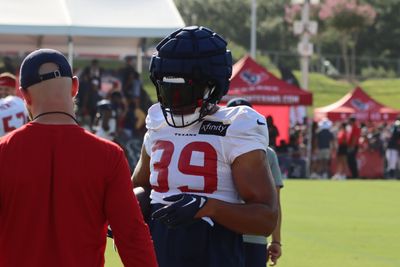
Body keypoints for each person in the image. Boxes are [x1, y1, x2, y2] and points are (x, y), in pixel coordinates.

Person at [131, 26, 278, 267]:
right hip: (159, 252)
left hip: (212, 252)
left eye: (182, 91)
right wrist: (131, 209)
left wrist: (208, 207)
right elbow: (141, 186)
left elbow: (265, 219)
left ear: (212, 87)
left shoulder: (235, 126)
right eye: (167, 91)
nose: (174, 101)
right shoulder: (157, 121)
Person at [0, 48, 158, 267]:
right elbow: (132, 238)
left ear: (24, 95)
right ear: (74, 87)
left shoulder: (4, 152)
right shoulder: (108, 155)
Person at [226, 98, 284, 267]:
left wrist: (276, 241)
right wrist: (276, 241)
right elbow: (275, 203)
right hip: (254, 233)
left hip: (223, 233)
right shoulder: (266, 153)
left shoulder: (216, 148)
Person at [0, 72, 29, 136]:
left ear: (14, 90)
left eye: (6, 89)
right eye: (0, 89)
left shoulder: (21, 103)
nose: (2, 92)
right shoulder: (21, 103)